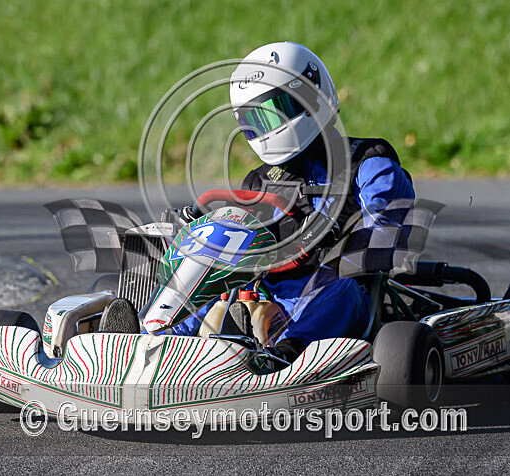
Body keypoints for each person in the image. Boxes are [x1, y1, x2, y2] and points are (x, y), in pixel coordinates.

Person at [164, 41, 416, 367]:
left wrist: (324, 246)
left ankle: (285, 356)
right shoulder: (259, 181)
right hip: (268, 296)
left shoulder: (367, 163)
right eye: (255, 120)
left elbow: (388, 237)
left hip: (342, 295)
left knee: (342, 291)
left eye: (275, 112)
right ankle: (152, 342)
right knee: (207, 288)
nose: (267, 129)